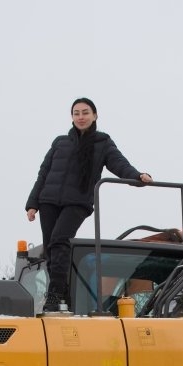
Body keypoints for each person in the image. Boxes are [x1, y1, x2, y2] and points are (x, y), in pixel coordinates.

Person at [25, 97, 152, 311]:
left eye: (85, 112)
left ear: (94, 115)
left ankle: (55, 295)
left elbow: (119, 164)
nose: (81, 117)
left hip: (77, 202)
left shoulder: (102, 143)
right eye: (76, 113)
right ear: (72, 117)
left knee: (59, 240)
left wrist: (138, 176)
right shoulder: (60, 142)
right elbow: (43, 173)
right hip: (48, 200)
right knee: (50, 249)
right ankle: (61, 294)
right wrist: (32, 203)